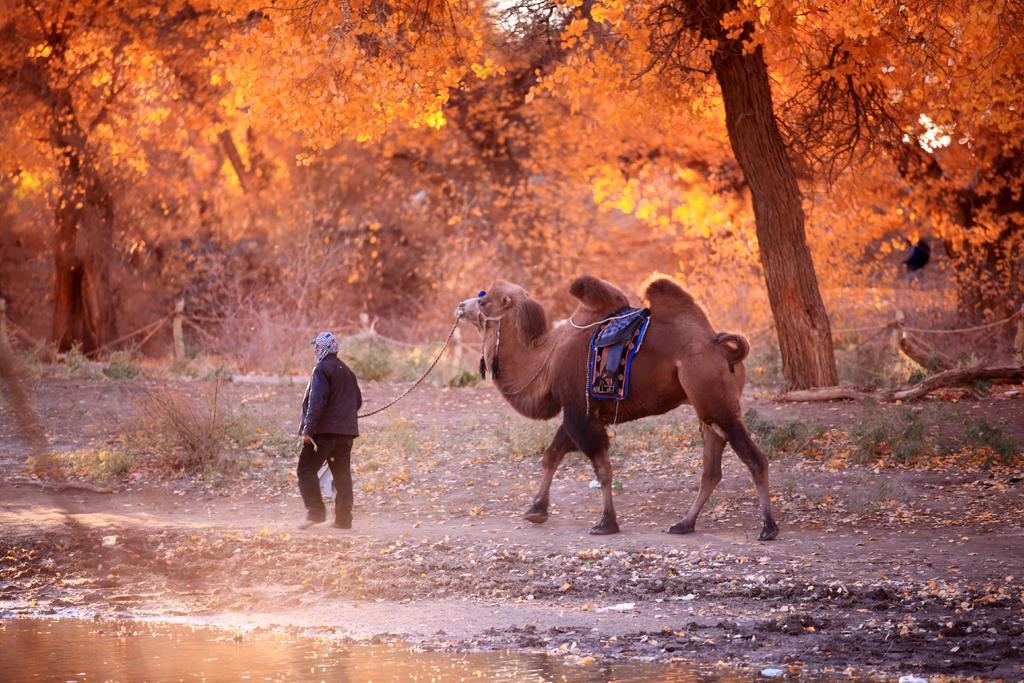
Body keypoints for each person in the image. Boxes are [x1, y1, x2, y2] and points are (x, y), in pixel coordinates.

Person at [297, 331, 362, 529]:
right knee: (342, 475)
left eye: (317, 346)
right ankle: (343, 520)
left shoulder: (321, 369)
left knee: (306, 470)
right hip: (345, 433)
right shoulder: (347, 371)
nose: (315, 350)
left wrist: (308, 430)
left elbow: (316, 402)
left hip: (324, 433)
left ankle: (316, 512)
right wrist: (343, 418)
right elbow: (357, 401)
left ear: (323, 348)